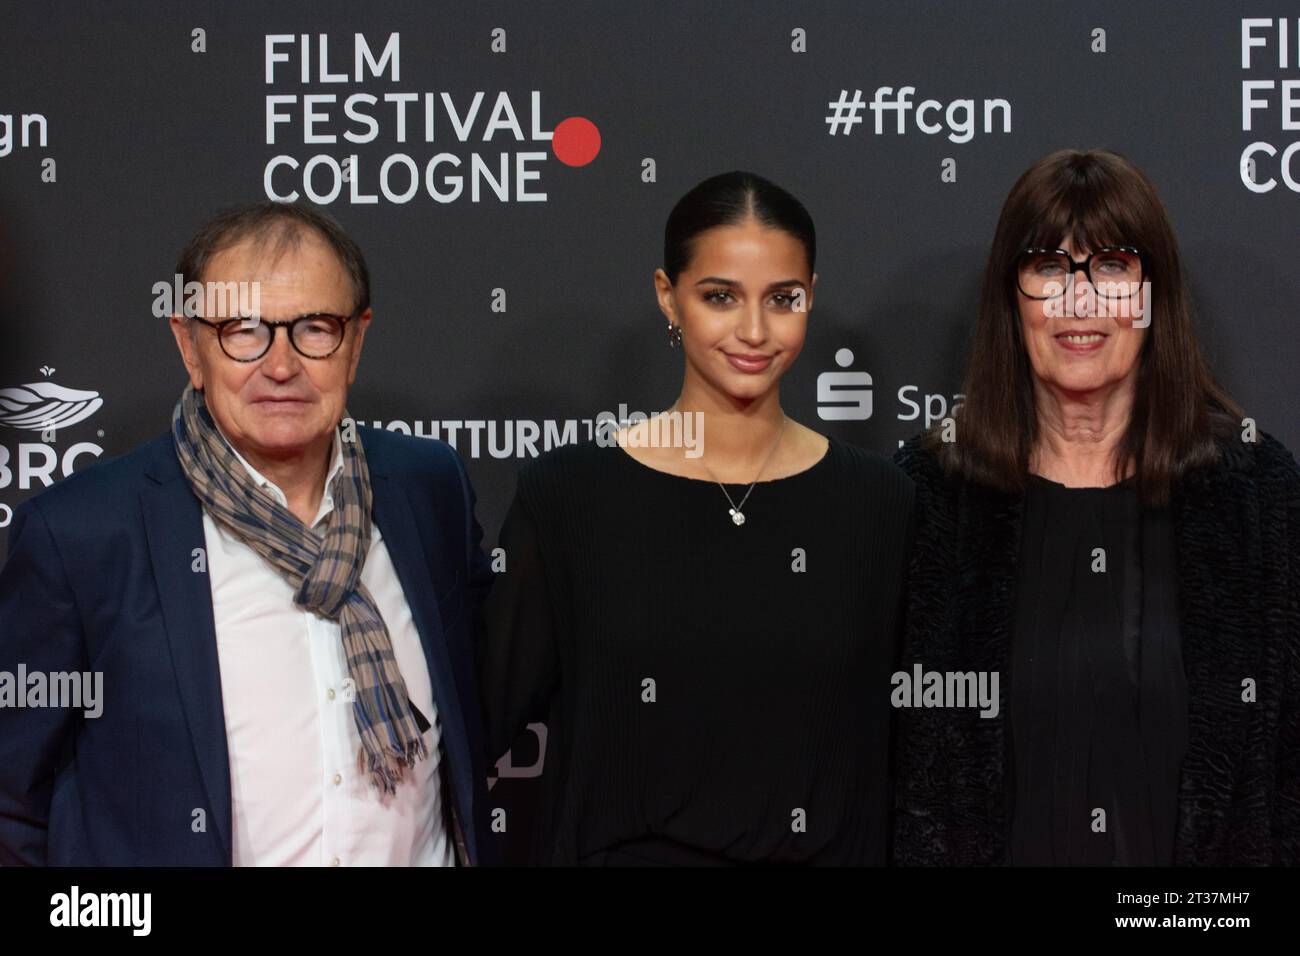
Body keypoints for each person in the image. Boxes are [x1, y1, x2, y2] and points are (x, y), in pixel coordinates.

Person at [0, 201, 495, 866]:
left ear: (356, 340)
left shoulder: (427, 490)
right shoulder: (82, 535)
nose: (281, 365)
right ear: (189, 344)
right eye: (243, 331)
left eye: (315, 328)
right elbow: (12, 804)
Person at [478, 171, 914, 865]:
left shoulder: (880, 503)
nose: (753, 330)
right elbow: (479, 725)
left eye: (783, 299)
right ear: (667, 297)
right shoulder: (569, 498)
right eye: (720, 297)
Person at [892, 148, 1300, 865]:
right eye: (1048, 267)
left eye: (1111, 266)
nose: (1079, 301)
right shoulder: (929, 498)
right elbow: (892, 779)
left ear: (1154, 294)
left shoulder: (1257, 493)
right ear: (1010, 297)